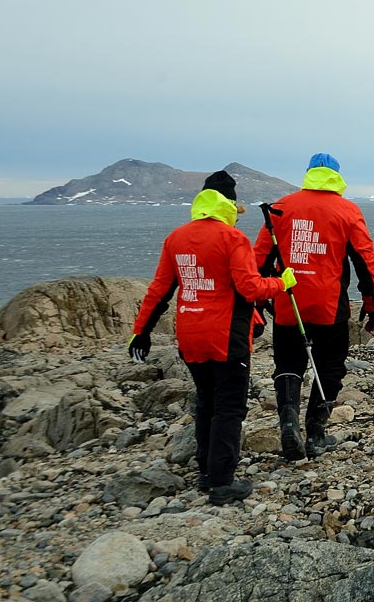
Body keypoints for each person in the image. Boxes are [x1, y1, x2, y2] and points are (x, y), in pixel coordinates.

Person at [128, 171, 294, 505]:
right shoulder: (232, 239)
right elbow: (250, 288)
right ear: (229, 206)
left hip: (190, 334)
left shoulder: (176, 238)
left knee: (205, 400)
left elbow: (160, 290)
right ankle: (221, 482)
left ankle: (206, 468)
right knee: (229, 407)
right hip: (226, 335)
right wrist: (282, 282)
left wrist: (141, 331)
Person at [254, 153, 374, 460]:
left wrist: (257, 300)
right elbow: (365, 260)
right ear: (337, 175)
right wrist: (371, 301)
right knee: (330, 367)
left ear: (308, 173)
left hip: (288, 300)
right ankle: (316, 433)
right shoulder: (347, 211)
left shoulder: (281, 208)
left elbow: (259, 258)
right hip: (329, 304)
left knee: (287, 364)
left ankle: (288, 423)